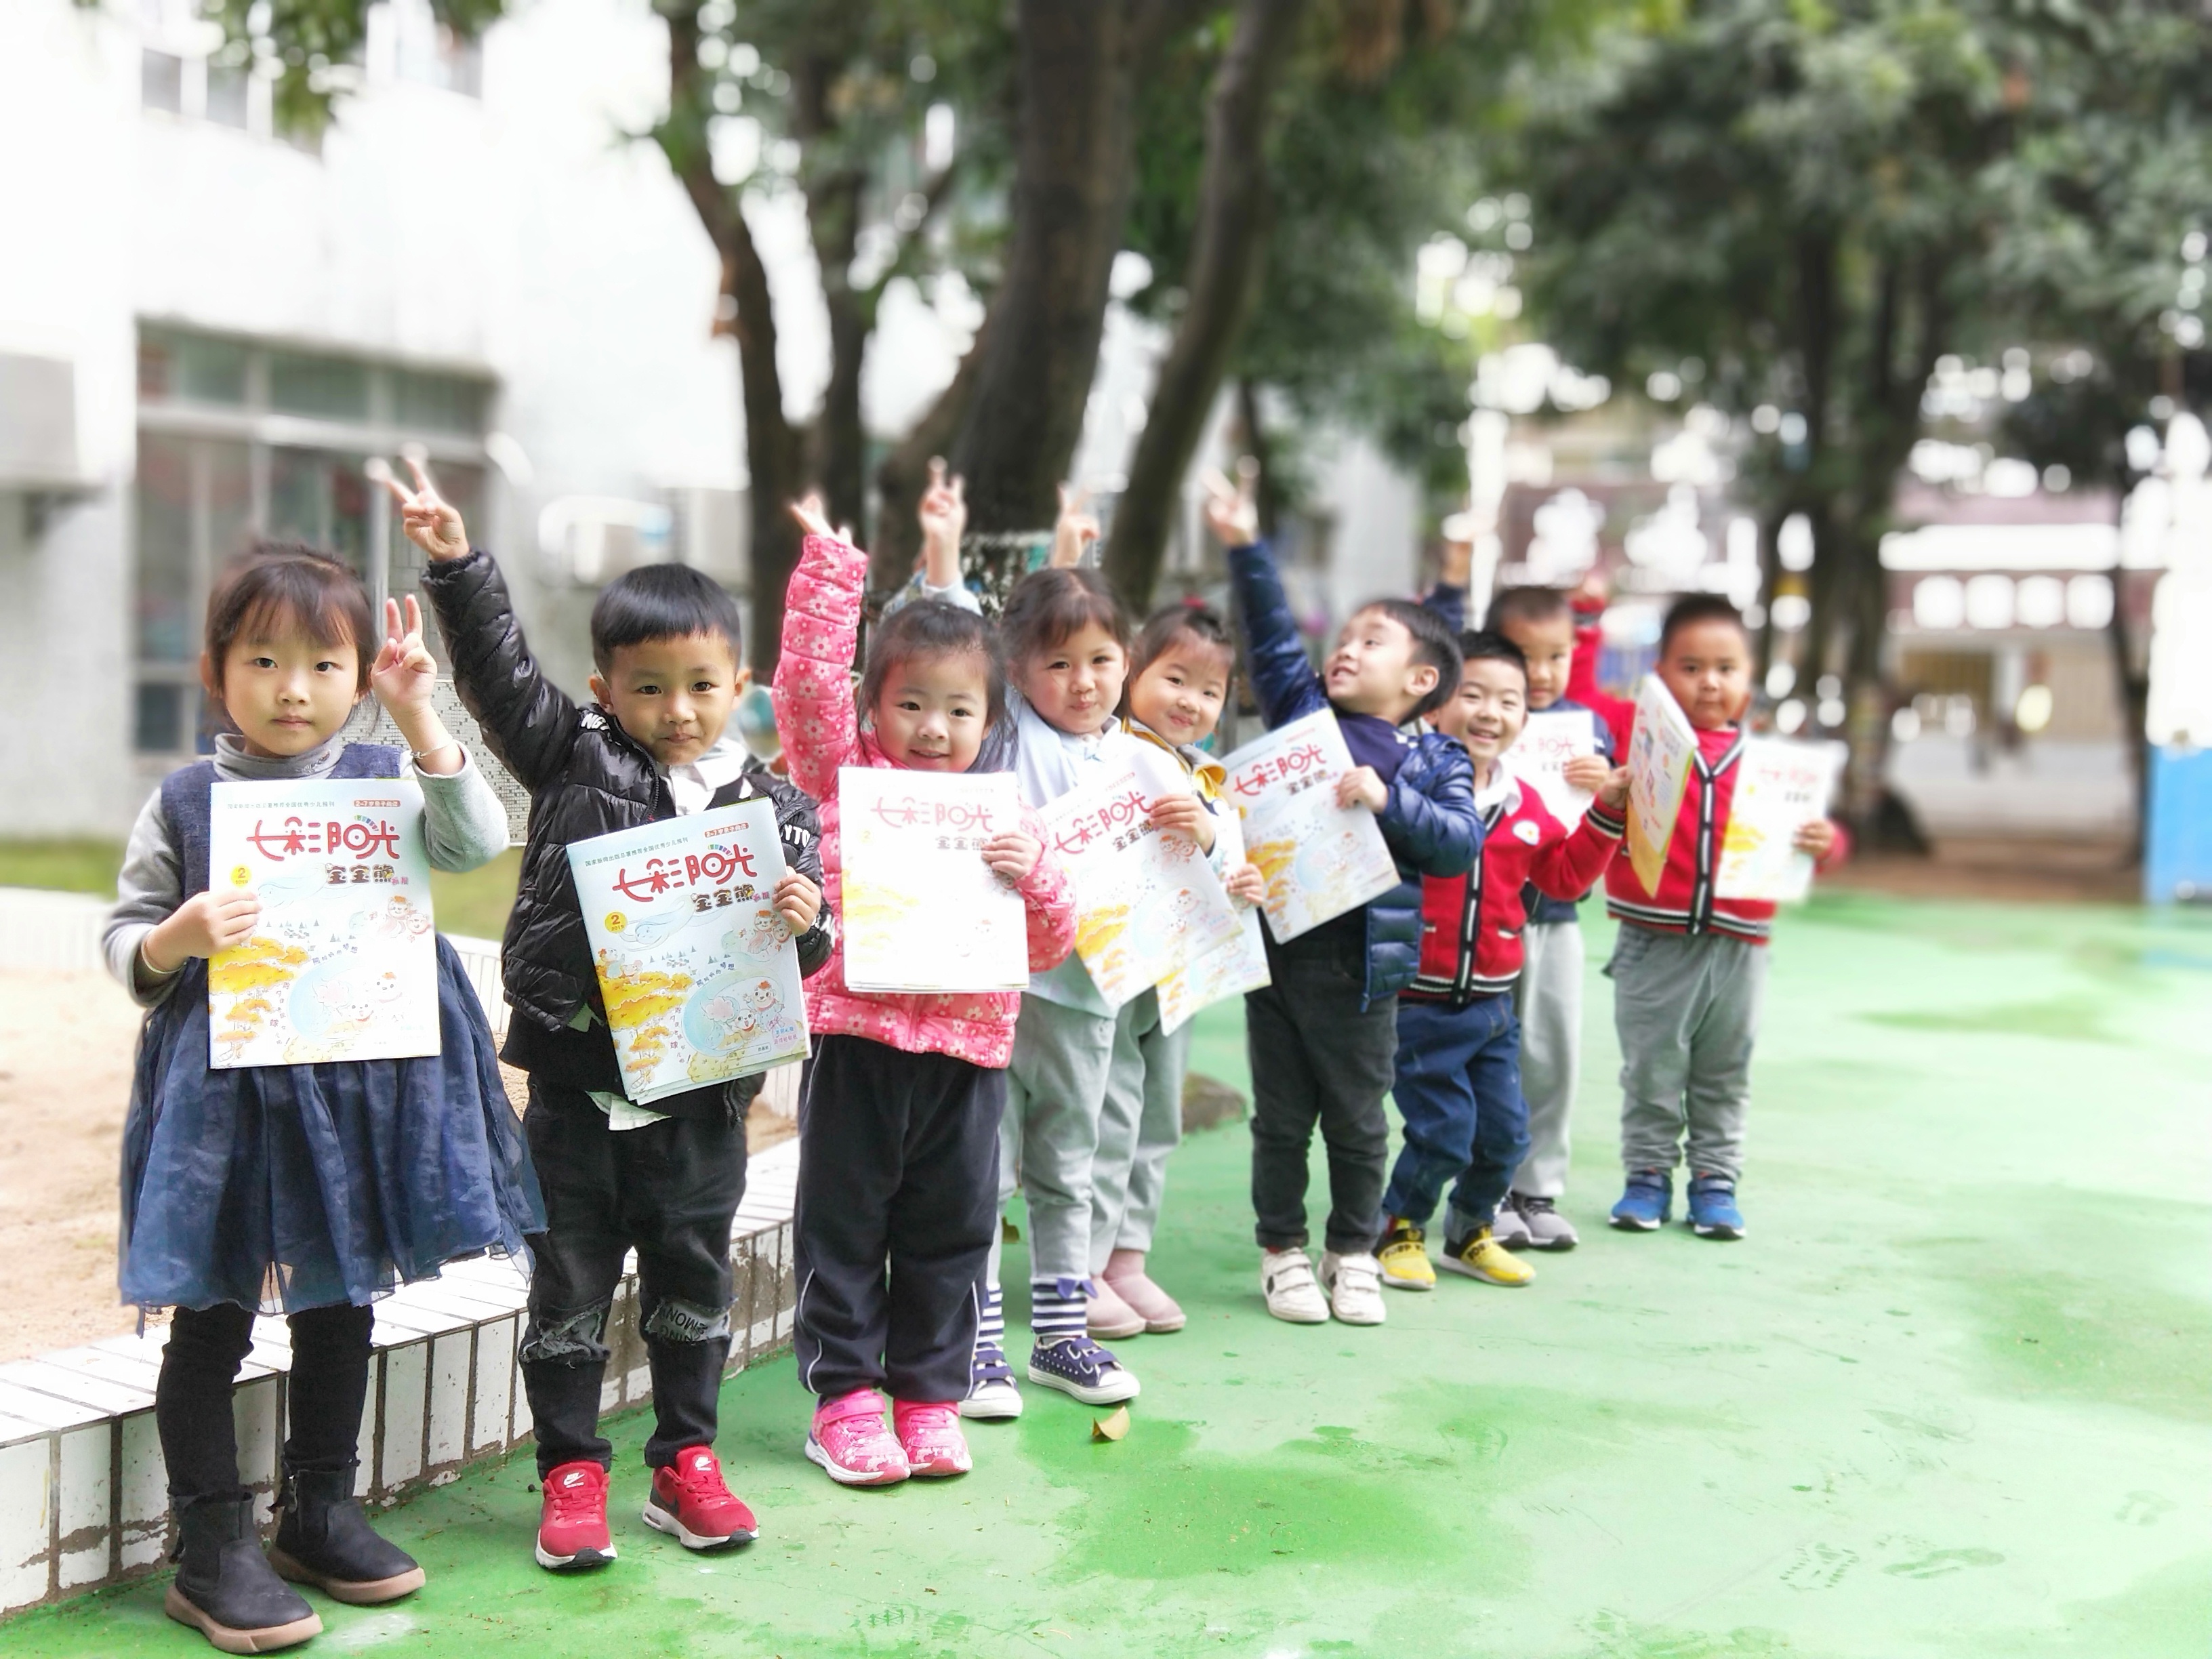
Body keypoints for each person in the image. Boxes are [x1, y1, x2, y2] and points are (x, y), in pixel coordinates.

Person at [104, 544, 541, 1654]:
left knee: (341, 1293)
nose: (292, 689)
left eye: (323, 664)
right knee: (209, 1311)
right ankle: (212, 1544)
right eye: (264, 660)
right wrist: (175, 935)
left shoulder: (387, 774)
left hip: (365, 1081)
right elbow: (123, 939)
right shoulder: (187, 800)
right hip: (227, 1096)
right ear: (217, 670)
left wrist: (424, 714)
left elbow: (478, 838)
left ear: (357, 676)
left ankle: (320, 1508)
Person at [400, 464, 832, 1570]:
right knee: (568, 1292)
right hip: (576, 1095)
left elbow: (808, 949)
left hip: (701, 1103)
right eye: (647, 687)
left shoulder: (772, 806)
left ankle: (685, 1460)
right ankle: (570, 1470)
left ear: (742, 682)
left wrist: (806, 915)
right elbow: (497, 680)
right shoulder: (574, 754)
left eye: (699, 683)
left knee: (692, 1284)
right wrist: (456, 565)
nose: (675, 710)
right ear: (603, 687)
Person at [775, 499, 1078, 1484]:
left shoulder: (1009, 814)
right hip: (858, 1041)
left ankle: (928, 1398)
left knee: (951, 1231)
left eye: (959, 710)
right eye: (911, 705)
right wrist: (831, 569)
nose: (934, 728)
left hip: (968, 1054)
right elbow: (808, 690)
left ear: (991, 721)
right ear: (873, 712)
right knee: (844, 1224)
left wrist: (1031, 870)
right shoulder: (844, 779)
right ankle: (848, 1400)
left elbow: (1051, 936)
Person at [1208, 468, 1481, 1328]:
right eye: (1349, 637)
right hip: (1278, 958)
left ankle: (1352, 1249)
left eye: (1376, 642)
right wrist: (1246, 544)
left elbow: (1458, 844)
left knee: (1361, 1124)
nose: (1349, 648)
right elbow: (1276, 638)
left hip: (1364, 972)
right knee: (1281, 1121)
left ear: (1422, 682)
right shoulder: (1300, 713)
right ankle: (1282, 1251)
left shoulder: (1434, 759)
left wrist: (1387, 799)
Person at [1565, 590, 1846, 1240]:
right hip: (1651, 940)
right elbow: (1581, 700)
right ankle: (1647, 1178)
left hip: (1741, 946)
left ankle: (1715, 1183)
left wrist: (1827, 845)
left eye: (1727, 667)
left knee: (1725, 1071)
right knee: (1652, 1070)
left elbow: (1822, 835)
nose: (1710, 681)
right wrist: (1585, 626)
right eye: (1690, 667)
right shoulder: (1639, 738)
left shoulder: (1771, 763)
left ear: (1750, 678)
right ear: (1658, 675)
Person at [1373, 630, 1628, 1293]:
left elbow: (1566, 879)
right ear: (1432, 702)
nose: (1491, 712)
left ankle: (1469, 1232)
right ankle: (1398, 1230)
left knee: (1510, 1135)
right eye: (1473, 694)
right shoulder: (1408, 788)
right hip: (1421, 999)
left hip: (1493, 1004)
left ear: (1525, 718)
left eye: (1510, 701)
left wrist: (1607, 812)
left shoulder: (1525, 802)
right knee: (1444, 1131)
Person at [1083, 602, 1269, 1341]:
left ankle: (1128, 1257)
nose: (1191, 701)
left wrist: (1233, 868)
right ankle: (1085, 1266)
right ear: (1133, 668)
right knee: (1111, 1112)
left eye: (1210, 690)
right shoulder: (1109, 752)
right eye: (1175, 678)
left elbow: (1221, 860)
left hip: (1179, 971)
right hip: (1121, 967)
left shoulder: (1206, 774)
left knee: (1157, 1115)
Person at [1482, 583, 1619, 1250]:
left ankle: (1537, 1189)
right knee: (1484, 1053)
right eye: (1522, 655)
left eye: (1556, 656)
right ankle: (1485, 1191)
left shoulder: (1589, 730)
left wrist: (1608, 781)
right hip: (1482, 919)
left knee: (1553, 1049)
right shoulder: (1475, 717)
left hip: (1557, 916)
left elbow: (1623, 810)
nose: (1540, 673)